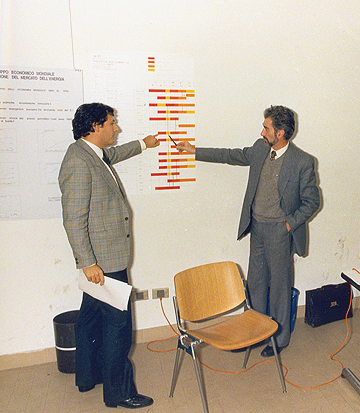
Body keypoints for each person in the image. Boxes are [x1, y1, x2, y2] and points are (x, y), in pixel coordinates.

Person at [176, 105, 320, 357]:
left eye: (266, 128)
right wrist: (193, 150)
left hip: (280, 231)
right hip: (257, 227)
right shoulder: (260, 149)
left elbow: (312, 202)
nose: (262, 132)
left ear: (280, 133)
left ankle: (279, 339)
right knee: (255, 283)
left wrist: (288, 225)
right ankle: (254, 332)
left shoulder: (302, 161)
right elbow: (230, 155)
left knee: (279, 287)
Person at [59, 103, 159, 409]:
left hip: (103, 258)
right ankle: (120, 393)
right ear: (95, 127)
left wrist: (144, 144)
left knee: (90, 319)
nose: (116, 128)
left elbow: (113, 155)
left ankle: (88, 376)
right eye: (111, 123)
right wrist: (88, 262)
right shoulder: (79, 162)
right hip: (103, 261)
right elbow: (73, 219)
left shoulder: (90, 153)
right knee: (118, 329)